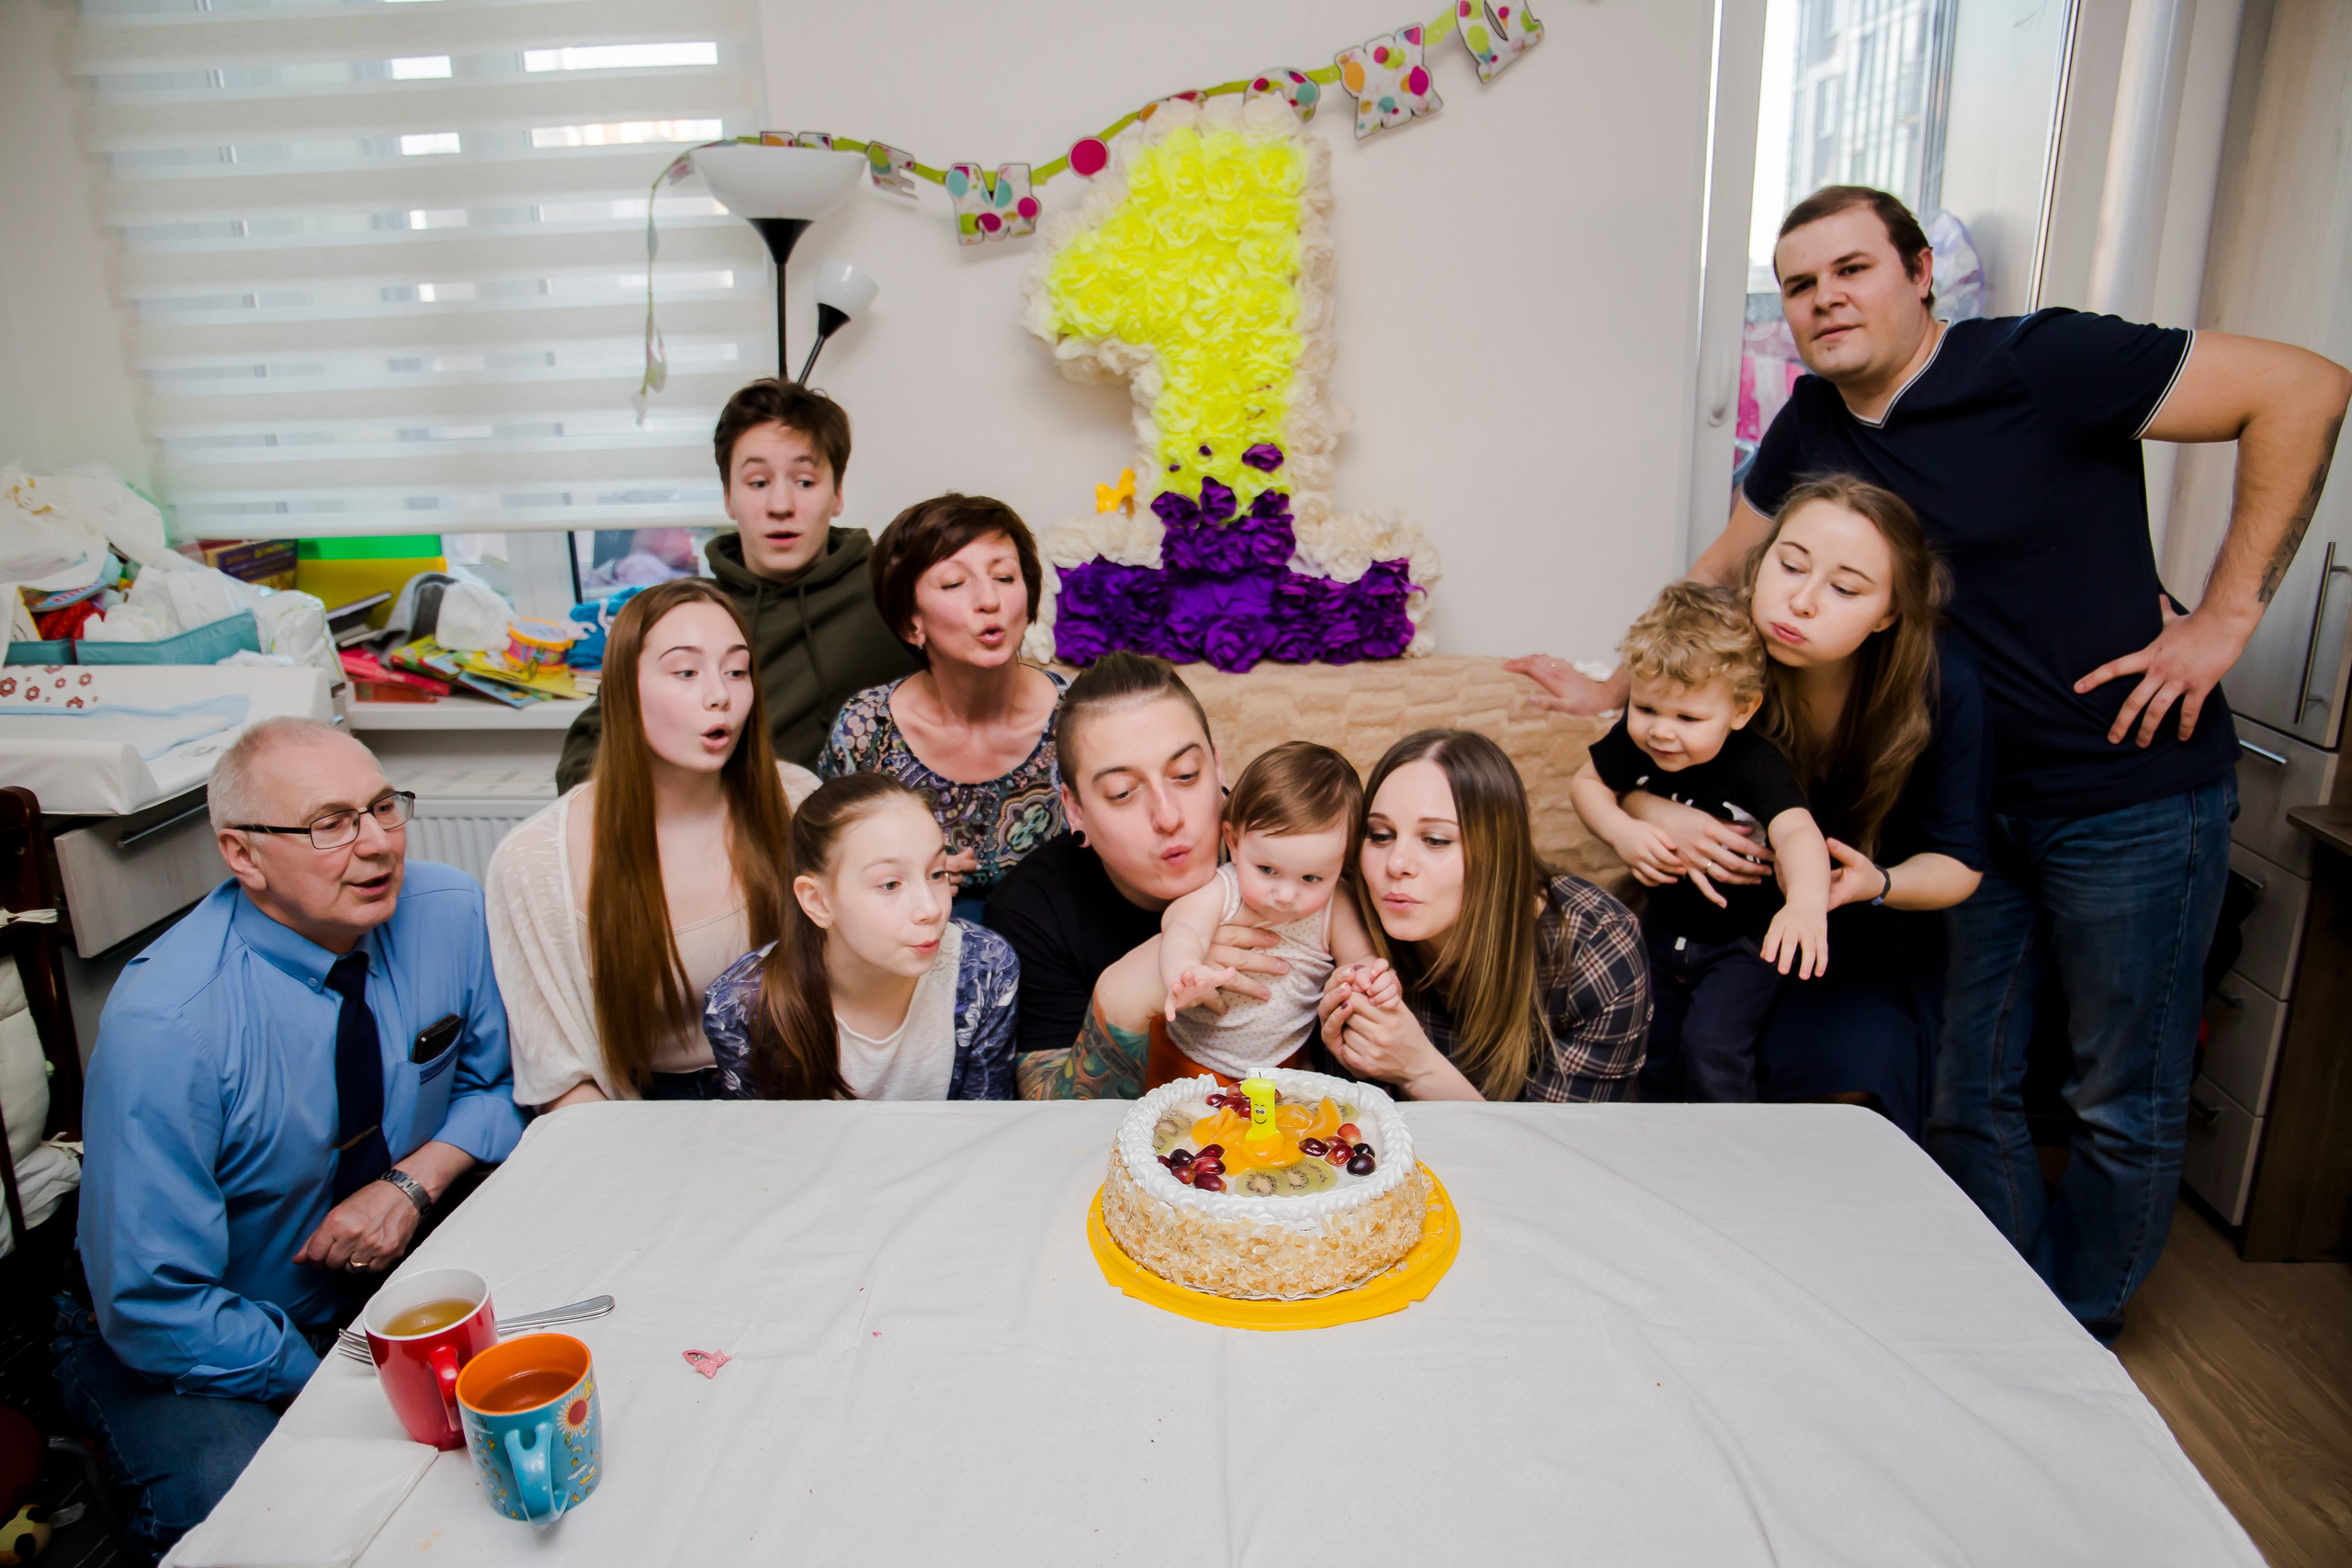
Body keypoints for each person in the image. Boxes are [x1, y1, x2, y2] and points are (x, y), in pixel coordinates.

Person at [1510, 184, 2349, 1336]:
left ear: (1919, 274)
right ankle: (2005, 1315)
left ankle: (2075, 1327)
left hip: (2125, 789)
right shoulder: (1816, 421)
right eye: (1800, 284)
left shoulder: (2043, 363)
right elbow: (1726, 568)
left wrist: (2223, 618)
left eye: (1851, 269)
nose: (1824, 299)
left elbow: (2303, 388)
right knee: (1971, 1085)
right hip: (1960, 812)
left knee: (2117, 1094)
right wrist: (1618, 691)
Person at [62, 718, 523, 1558]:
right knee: (263, 1524)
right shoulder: (169, 1023)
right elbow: (150, 1303)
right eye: (331, 823)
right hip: (203, 1334)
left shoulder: (449, 910)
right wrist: (324, 1380)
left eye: (386, 807)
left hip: (394, 1278)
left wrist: (412, 1182)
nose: (378, 844)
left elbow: (495, 1091)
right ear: (242, 854)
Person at [1624, 476, 1989, 1136]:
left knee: (1857, 1057)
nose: (1801, 599)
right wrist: (1658, 814)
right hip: (1719, 928)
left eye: (1844, 588)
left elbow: (1959, 864)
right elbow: (1628, 762)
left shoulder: (1942, 686)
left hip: (1857, 936)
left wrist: (1875, 883)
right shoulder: (1721, 656)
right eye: (1790, 565)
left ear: (1888, 612)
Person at [488, 579, 819, 1107]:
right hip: (633, 1115)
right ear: (623, 688)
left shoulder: (800, 801)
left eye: (736, 671)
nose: (720, 695)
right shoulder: (533, 861)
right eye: (686, 672)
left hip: (792, 1094)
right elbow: (561, 1079)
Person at [555, 378, 920, 789]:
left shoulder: (894, 595)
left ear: (837, 493)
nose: (781, 507)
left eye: (804, 482)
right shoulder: (683, 615)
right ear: (728, 496)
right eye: (758, 483)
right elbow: (585, 759)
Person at [982, 652, 1290, 1099]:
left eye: (1186, 775)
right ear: (1075, 809)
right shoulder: (1030, 909)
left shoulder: (1289, 851)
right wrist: (1121, 999)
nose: (1168, 817)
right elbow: (1049, 1125)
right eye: (1122, 793)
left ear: (1218, 766)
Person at [1569, 582, 1831, 1102]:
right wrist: (1624, 832)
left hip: (1743, 944)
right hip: (1663, 932)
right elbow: (1586, 784)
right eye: (1646, 710)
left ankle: (1729, 1163)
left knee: (1711, 1049)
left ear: (1741, 710)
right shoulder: (1636, 740)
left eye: (1688, 719)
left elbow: (1799, 830)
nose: (1662, 733)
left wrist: (1805, 903)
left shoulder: (1757, 764)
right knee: (1652, 1050)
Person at [1318, 729, 1650, 1102]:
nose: (1396, 864)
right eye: (1380, 834)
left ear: (1498, 850)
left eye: (1436, 840)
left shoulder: (1597, 947)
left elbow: (1565, 1152)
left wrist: (1418, 1069)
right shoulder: (1338, 913)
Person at [820, 494, 1067, 921]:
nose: (989, 600)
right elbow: (827, 871)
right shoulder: (865, 731)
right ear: (909, 622)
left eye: (1005, 578)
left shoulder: (1081, 717)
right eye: (954, 584)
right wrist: (902, 883)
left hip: (1062, 944)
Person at [702, 773, 1019, 1100]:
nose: (930, 909)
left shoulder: (984, 969)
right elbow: (769, 1143)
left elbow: (982, 1128)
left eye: (936, 873)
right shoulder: (741, 1009)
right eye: (890, 884)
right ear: (817, 901)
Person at [1158, 741, 1389, 1088]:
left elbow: (1358, 959)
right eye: (1267, 869)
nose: (1285, 896)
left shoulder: (1335, 904)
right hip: (1190, 1057)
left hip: (1283, 1063)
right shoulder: (1227, 889)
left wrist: (1370, 978)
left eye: (1312, 878)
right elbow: (1182, 925)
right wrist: (1185, 969)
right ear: (1234, 842)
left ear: (1343, 862)